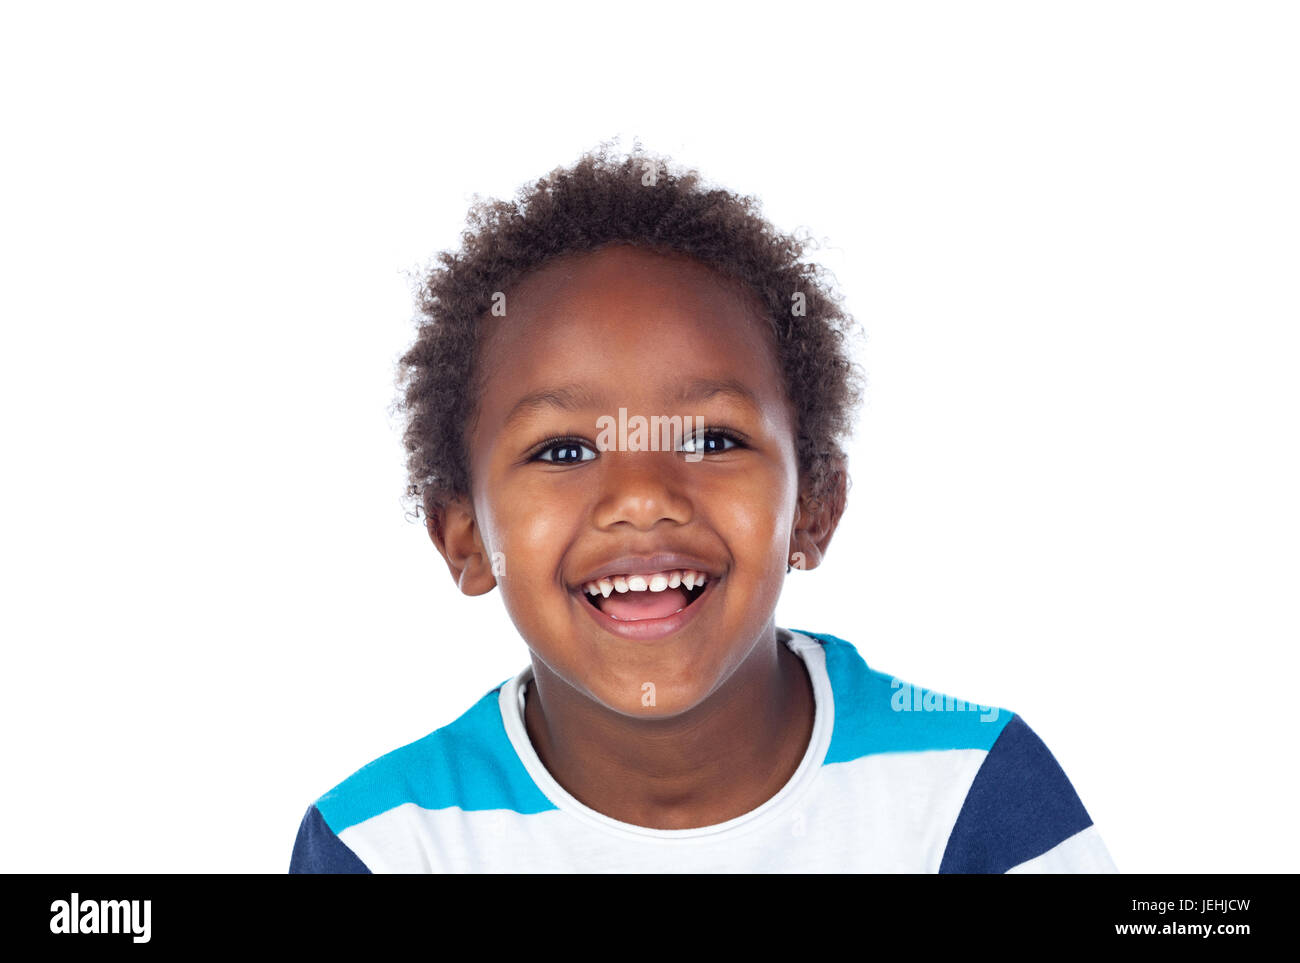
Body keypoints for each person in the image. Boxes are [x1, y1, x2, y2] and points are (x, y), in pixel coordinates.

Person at [289, 143, 1117, 873]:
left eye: (714, 440)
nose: (643, 497)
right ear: (463, 536)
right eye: (564, 450)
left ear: (815, 506)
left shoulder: (972, 791)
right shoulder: (383, 846)